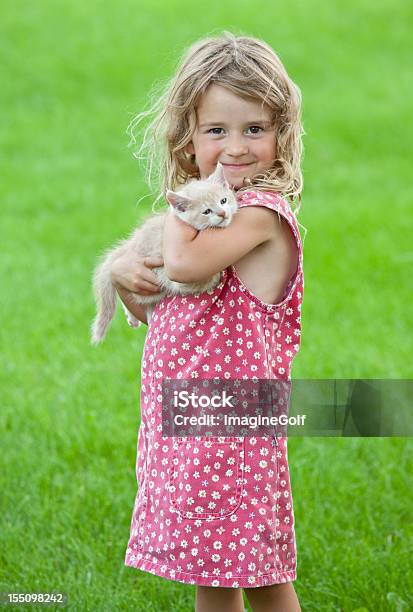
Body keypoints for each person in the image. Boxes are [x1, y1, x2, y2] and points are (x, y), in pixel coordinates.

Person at [111, 32, 304, 612]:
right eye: (217, 130)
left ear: (280, 136)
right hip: (193, 423)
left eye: (255, 129)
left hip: (231, 435)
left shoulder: (258, 217)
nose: (237, 147)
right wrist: (125, 276)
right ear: (188, 140)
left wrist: (179, 207)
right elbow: (162, 308)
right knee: (222, 571)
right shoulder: (207, 220)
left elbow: (183, 264)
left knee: (248, 574)